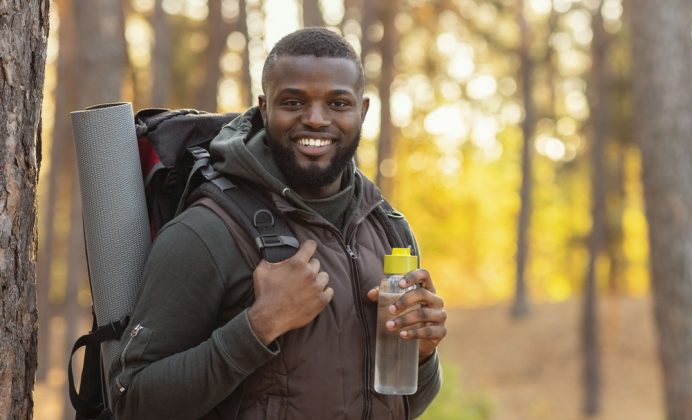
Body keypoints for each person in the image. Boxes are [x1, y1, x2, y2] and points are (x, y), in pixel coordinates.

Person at [110, 27, 446, 419]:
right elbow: (132, 403)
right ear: (264, 108)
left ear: (363, 110)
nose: (316, 120)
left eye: (338, 103)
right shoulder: (207, 232)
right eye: (293, 102)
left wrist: (422, 352)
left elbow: (404, 405)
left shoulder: (389, 229)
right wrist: (258, 325)